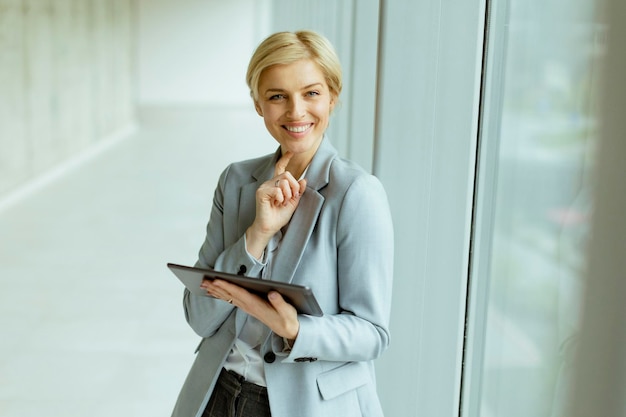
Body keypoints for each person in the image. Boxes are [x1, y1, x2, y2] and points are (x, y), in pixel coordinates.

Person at [171, 30, 394, 417]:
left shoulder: (357, 194)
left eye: (311, 93)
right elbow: (199, 316)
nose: (295, 112)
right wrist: (257, 235)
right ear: (259, 104)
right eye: (278, 96)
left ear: (332, 98)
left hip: (304, 405)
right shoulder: (236, 181)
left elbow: (372, 334)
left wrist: (296, 330)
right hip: (218, 394)